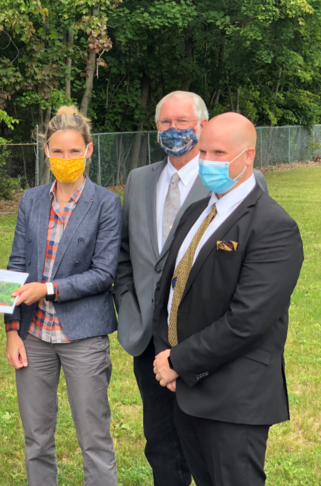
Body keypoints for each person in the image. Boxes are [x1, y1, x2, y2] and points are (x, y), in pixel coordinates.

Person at [112, 91, 268, 486]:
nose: (173, 130)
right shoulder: (139, 180)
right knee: (162, 443)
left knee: (214, 450)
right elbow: (127, 255)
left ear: (202, 125)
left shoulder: (235, 183)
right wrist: (132, 310)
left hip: (209, 343)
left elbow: (248, 263)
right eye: (165, 122)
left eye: (182, 122)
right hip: (151, 340)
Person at [152, 112, 304, 486]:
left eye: (220, 153)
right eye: (203, 151)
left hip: (234, 399)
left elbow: (247, 321)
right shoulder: (195, 213)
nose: (208, 161)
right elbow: (169, 290)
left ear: (247, 157)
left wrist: (178, 360)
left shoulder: (272, 226)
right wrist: (168, 358)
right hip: (186, 388)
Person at [5, 106, 121, 486]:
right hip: (34, 336)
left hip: (82, 335)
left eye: (74, 151)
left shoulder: (106, 203)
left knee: (94, 439)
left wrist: (49, 289)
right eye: (58, 151)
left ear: (89, 151)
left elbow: (104, 274)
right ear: (46, 152)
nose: (65, 159)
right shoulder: (31, 199)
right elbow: (17, 265)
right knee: (36, 438)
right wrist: (11, 331)